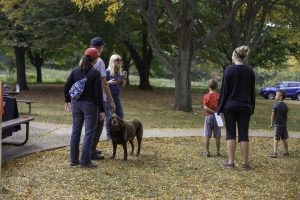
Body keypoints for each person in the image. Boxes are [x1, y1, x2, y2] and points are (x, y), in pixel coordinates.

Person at [64, 48, 105, 168]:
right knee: (89, 133)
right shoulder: (95, 73)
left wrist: (67, 100)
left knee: (75, 131)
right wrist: (102, 109)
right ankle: (85, 161)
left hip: (76, 104)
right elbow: (98, 94)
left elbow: (67, 86)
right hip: (90, 106)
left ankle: (73, 160)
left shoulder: (75, 71)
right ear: (96, 59)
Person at [217, 45, 255, 170]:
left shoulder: (228, 70)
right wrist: (252, 108)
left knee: (230, 133)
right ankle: (245, 164)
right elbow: (252, 92)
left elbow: (224, 91)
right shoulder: (250, 71)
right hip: (245, 106)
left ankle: (230, 162)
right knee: (244, 134)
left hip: (230, 106)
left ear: (235, 56)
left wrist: (220, 108)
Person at [89, 37, 116, 160]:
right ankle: (91, 151)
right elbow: (104, 83)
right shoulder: (99, 61)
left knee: (91, 126)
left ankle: (91, 149)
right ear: (100, 47)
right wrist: (111, 100)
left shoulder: (84, 59)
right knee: (98, 126)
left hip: (87, 98)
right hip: (99, 99)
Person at [105, 54, 127, 138]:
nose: (119, 62)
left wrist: (125, 77)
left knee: (120, 114)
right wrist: (108, 82)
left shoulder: (120, 72)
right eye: (116, 60)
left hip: (116, 95)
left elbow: (123, 85)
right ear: (112, 61)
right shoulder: (107, 71)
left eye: (120, 60)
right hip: (108, 96)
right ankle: (109, 136)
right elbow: (102, 84)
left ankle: (118, 132)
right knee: (109, 116)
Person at [202, 78, 221, 157]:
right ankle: (218, 152)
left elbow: (205, 108)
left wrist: (212, 112)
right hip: (218, 117)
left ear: (208, 86)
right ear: (216, 87)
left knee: (207, 135)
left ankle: (207, 152)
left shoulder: (206, 96)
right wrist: (217, 112)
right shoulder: (219, 96)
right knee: (217, 136)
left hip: (209, 116)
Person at [269, 90, 289, 158]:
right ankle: (286, 152)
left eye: (276, 95)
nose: (275, 96)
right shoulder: (286, 106)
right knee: (284, 139)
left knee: (276, 139)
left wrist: (271, 124)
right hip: (284, 125)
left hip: (277, 125)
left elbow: (272, 116)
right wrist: (285, 123)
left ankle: (275, 153)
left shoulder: (275, 105)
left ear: (280, 97)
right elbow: (286, 116)